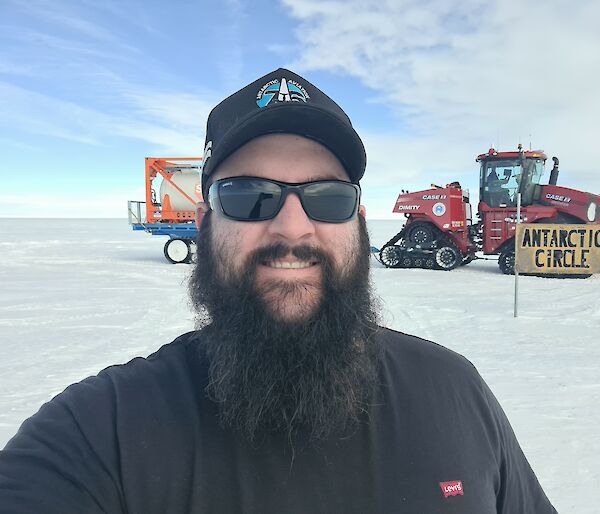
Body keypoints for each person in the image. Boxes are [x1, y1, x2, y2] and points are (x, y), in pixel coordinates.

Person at [0, 69, 557, 513]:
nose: (293, 228)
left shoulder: (455, 393)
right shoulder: (102, 434)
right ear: (204, 223)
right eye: (248, 196)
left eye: (327, 197)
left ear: (358, 223)